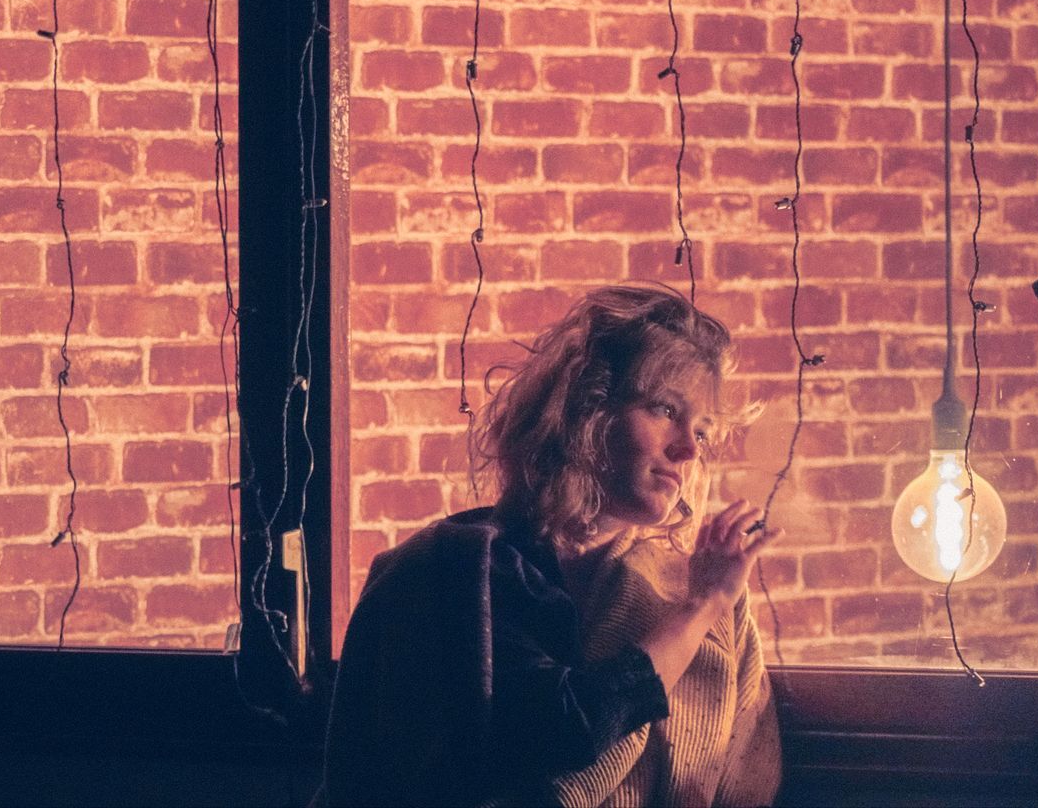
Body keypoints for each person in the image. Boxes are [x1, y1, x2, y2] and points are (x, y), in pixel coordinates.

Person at [320, 284, 784, 807]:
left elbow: (749, 774)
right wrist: (701, 608)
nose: (686, 448)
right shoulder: (462, 567)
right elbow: (560, 731)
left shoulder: (685, 579)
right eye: (663, 409)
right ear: (587, 411)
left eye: (701, 430)